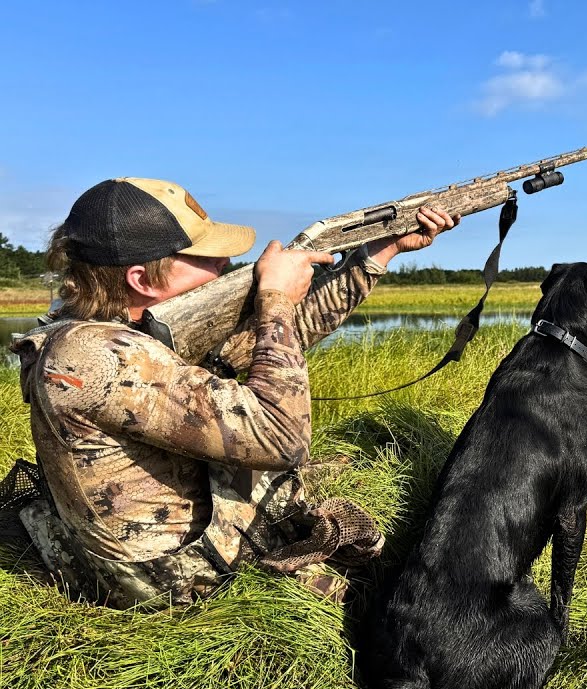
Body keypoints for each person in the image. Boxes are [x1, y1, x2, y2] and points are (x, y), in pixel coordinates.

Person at [7, 176, 459, 610]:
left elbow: (281, 338)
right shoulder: (103, 358)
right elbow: (282, 439)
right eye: (205, 257)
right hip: (165, 583)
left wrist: (377, 255)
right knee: (387, 596)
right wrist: (275, 300)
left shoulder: (116, 327)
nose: (224, 266)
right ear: (142, 279)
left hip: (146, 546)